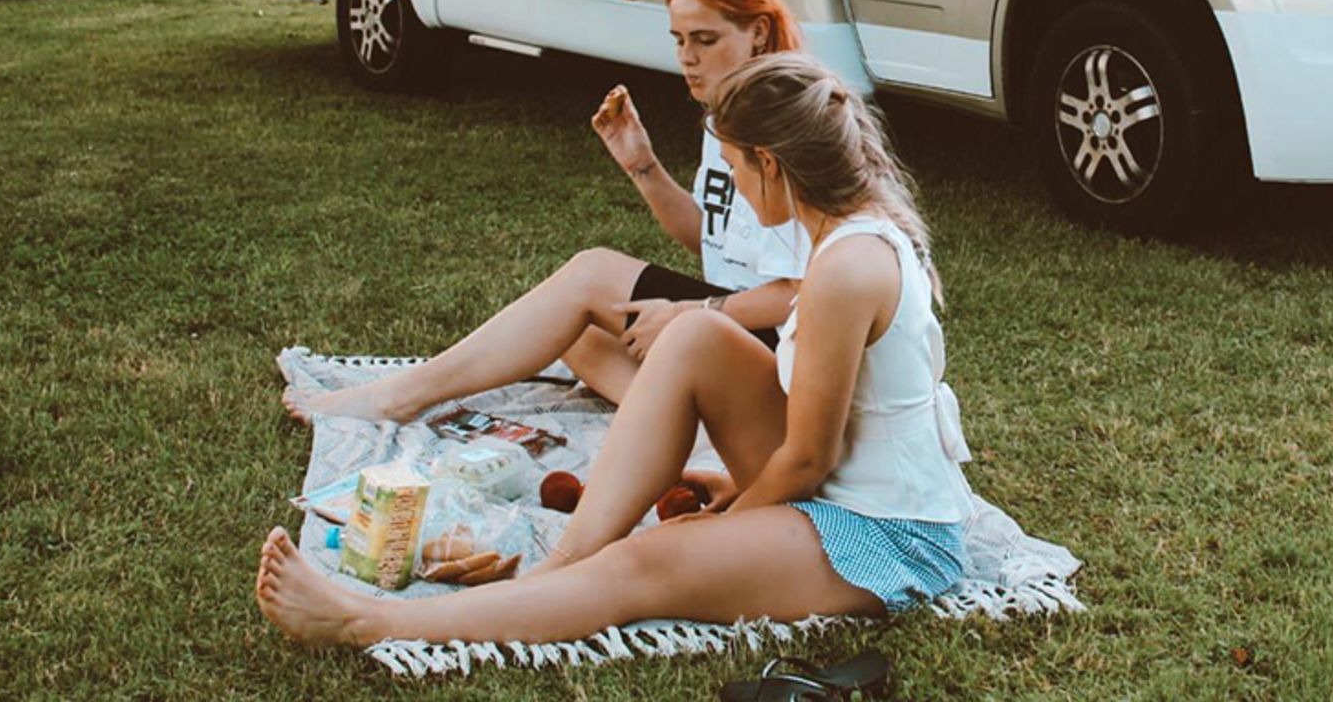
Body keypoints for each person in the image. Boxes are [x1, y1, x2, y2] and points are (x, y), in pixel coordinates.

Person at [255, 52, 974, 648]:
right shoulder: (853, 231)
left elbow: (810, 459)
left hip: (884, 535)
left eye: (733, 169)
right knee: (694, 332)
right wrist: (741, 499)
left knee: (645, 565)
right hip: (842, 486)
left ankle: (370, 621)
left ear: (770, 163)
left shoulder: (846, 270)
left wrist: (731, 520)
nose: (738, 195)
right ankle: (569, 561)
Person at [283, 0, 811, 423]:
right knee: (571, 333)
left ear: (759, 32)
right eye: (678, 40)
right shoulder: (723, 113)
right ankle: (693, 427)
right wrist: (642, 166)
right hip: (731, 331)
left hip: (787, 353)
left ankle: (396, 398)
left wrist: (688, 313)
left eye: (705, 40)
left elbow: (802, 295)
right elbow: (716, 242)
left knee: (590, 275)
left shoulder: (787, 124)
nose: (687, 58)